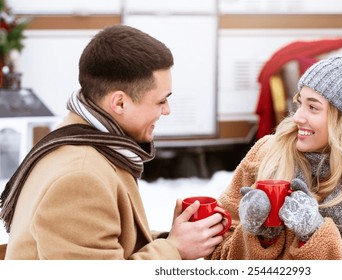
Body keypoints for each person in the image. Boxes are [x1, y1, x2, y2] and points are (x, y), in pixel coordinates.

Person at [0, 24, 225, 260]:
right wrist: (175, 250)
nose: (167, 110)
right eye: (160, 101)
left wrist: (172, 239)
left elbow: (101, 243)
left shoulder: (80, 139)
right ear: (119, 103)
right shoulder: (81, 177)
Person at [206, 44, 342, 260]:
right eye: (300, 104)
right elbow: (215, 255)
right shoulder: (267, 154)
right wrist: (260, 236)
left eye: (313, 107)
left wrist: (315, 234)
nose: (297, 117)